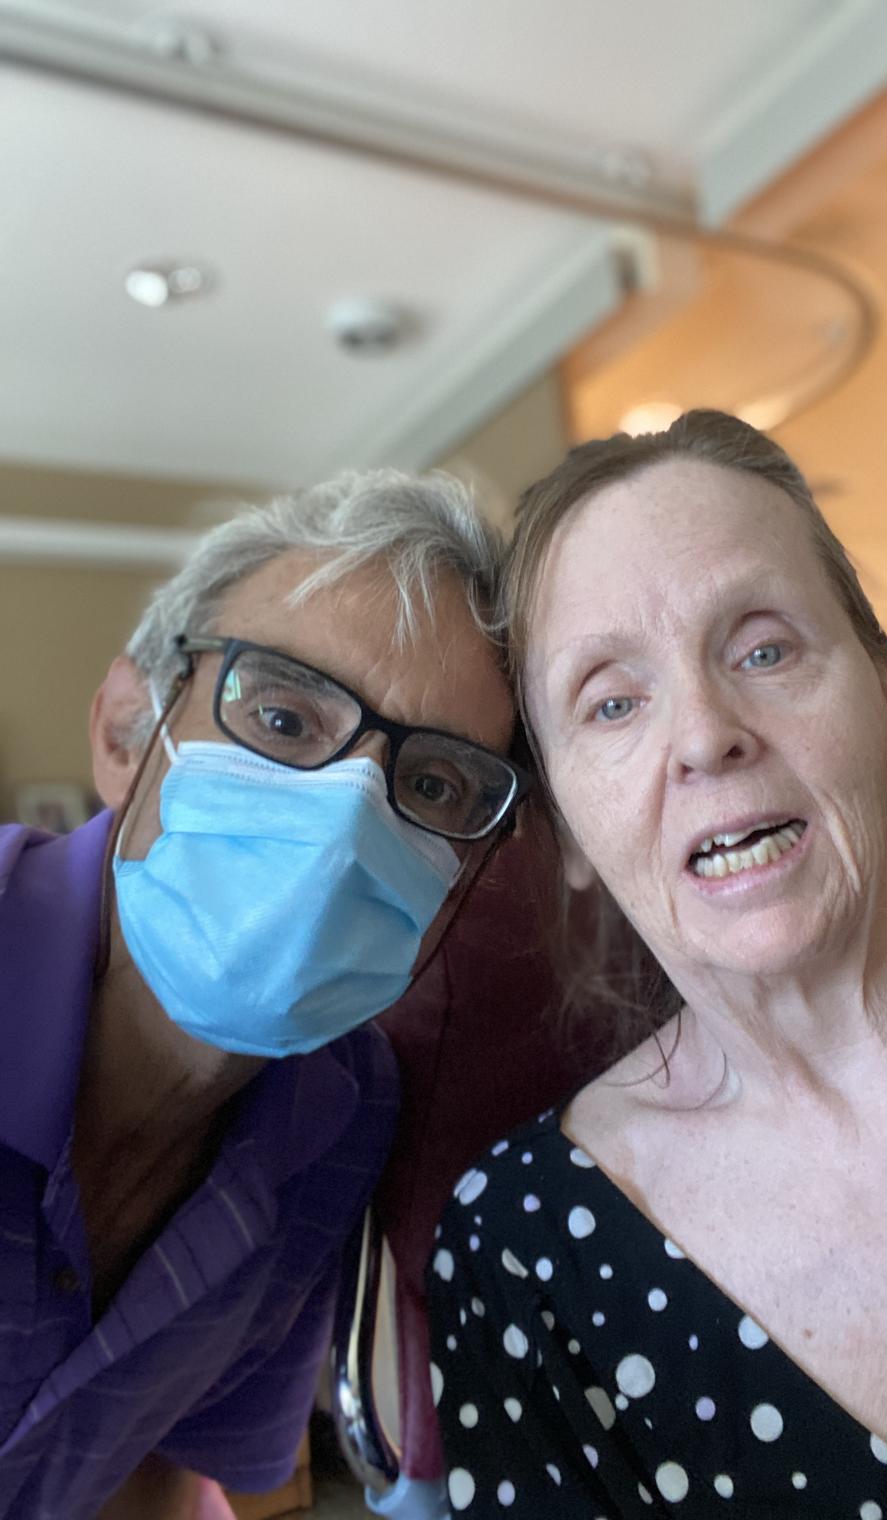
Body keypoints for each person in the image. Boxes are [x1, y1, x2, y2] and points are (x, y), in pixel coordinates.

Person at [428, 412, 887, 1518]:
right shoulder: (517, 1254)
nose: (707, 732)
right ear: (565, 827)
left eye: (763, 647)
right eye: (612, 700)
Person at [0, 468, 530, 1520]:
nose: (347, 823)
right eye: (284, 718)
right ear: (124, 732)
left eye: (432, 785)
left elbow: (154, 1467)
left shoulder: (344, 1118)